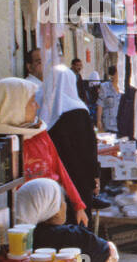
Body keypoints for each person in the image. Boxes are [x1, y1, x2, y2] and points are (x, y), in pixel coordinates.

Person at [0, 78, 89, 225]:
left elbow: (59, 167)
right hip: (21, 219)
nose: (36, 106)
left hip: (53, 213)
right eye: (31, 101)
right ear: (14, 106)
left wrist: (78, 205)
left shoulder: (39, 133)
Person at [13, 178, 117, 262]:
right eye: (62, 201)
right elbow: (106, 252)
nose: (65, 206)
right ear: (51, 207)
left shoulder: (17, 240)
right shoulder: (71, 236)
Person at [39, 64, 101, 216]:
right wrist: (94, 177)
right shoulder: (79, 110)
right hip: (79, 178)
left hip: (50, 179)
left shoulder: (41, 108)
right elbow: (89, 149)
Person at [97, 66, 123, 134]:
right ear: (112, 75)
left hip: (122, 124)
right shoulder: (104, 87)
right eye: (118, 73)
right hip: (109, 124)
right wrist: (99, 120)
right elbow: (100, 104)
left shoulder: (124, 88)